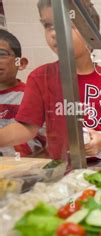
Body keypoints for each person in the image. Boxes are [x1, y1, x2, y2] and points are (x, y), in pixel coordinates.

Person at [0, 0, 101, 161]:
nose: (54, 33)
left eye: (67, 24)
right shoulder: (40, 77)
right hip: (63, 172)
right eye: (48, 25)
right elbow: (26, 127)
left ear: (91, 31)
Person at [0, 29, 46, 157]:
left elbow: (50, 142)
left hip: (27, 170)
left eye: (1, 54)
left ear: (20, 63)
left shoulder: (33, 96)